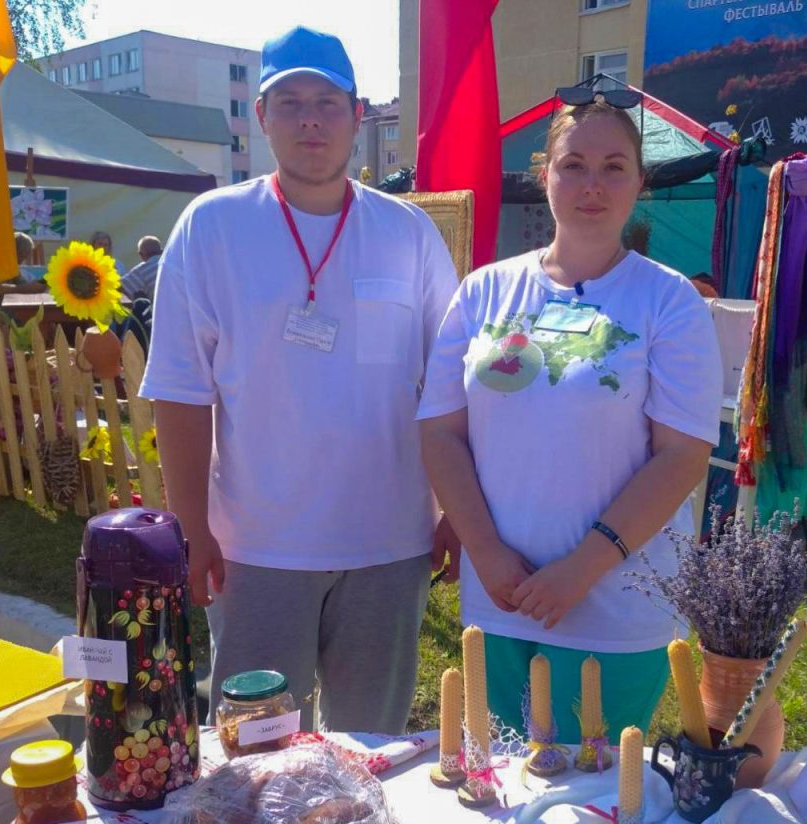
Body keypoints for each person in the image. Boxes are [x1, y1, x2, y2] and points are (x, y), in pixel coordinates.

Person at [139, 26, 460, 733]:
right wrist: (191, 527)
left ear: (357, 113)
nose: (309, 119)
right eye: (289, 102)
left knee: (369, 755)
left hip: (388, 546)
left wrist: (456, 510)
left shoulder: (409, 235)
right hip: (257, 549)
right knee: (256, 755)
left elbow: (451, 389)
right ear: (261, 117)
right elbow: (181, 393)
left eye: (326, 102)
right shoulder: (211, 229)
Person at [418, 97, 723, 743]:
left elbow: (681, 457)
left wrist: (582, 568)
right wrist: (488, 554)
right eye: (573, 164)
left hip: (616, 607)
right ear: (545, 176)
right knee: (498, 792)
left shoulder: (668, 301)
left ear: (640, 182)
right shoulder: (483, 291)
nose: (592, 184)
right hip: (501, 600)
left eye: (614, 167)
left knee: (596, 810)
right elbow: (441, 431)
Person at [120, 236, 163, 305]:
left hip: (163, 312)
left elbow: (119, 288)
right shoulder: (176, 263)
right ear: (162, 251)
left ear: (141, 255)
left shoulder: (142, 270)